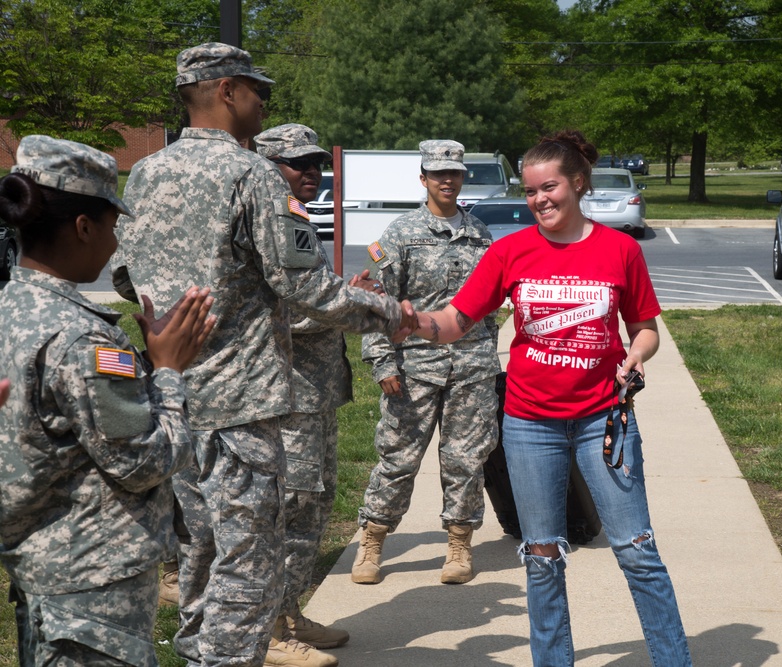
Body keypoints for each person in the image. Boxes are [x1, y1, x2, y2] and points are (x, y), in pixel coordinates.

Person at [110, 43, 415, 667]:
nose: (262, 104)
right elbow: (302, 283)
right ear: (226, 90)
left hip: (173, 398)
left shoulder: (144, 173)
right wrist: (396, 314)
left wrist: (176, 315)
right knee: (247, 569)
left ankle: (196, 652)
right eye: (258, 92)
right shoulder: (251, 174)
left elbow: (121, 274)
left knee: (199, 550)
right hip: (242, 408)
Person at [408, 131, 693, 666]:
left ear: (578, 184)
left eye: (550, 187)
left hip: (602, 422)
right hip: (529, 424)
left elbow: (645, 328)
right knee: (541, 557)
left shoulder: (620, 250)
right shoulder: (509, 251)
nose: (539, 199)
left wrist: (637, 356)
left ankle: (674, 660)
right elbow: (454, 321)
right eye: (531, 190)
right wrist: (411, 321)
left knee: (636, 550)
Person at [0, 135, 216, 665]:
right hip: (93, 589)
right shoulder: (82, 339)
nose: (116, 244)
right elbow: (144, 460)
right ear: (82, 227)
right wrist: (167, 371)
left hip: (44, 568)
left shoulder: (11, 306)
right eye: (112, 225)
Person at [353, 140, 500, 586]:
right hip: (413, 370)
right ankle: (373, 539)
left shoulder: (479, 234)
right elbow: (376, 305)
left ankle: (459, 543)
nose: (447, 181)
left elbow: (489, 306)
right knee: (397, 460)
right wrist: (382, 363)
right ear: (423, 179)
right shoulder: (399, 235)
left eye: (454, 173)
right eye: (438, 174)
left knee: (466, 460)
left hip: (472, 368)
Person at [253, 123, 369, 649]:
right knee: (292, 507)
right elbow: (288, 314)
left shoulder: (295, 218)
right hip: (286, 395)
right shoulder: (265, 220)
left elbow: (308, 296)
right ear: (267, 165)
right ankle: (271, 630)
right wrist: (349, 307)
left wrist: (341, 295)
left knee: (314, 503)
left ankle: (290, 612)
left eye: (317, 163)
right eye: (299, 164)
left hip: (314, 392)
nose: (312, 173)